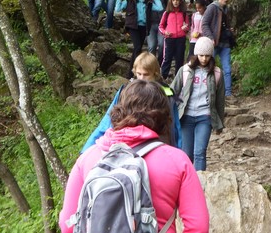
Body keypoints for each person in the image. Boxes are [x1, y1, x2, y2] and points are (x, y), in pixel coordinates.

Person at [60, 80, 209, 233]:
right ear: (164, 118)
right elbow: (198, 227)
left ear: (119, 110)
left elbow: (68, 225)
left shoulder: (88, 158)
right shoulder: (177, 161)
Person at [81, 52, 182, 152]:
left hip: (158, 147)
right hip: (127, 146)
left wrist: (178, 153)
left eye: (146, 74)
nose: (141, 78)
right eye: (139, 74)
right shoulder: (125, 91)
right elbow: (107, 122)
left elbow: (175, 129)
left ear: (155, 74)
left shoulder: (167, 94)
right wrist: (86, 150)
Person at [171, 37, 225, 171]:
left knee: (200, 152)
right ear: (196, 54)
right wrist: (173, 110)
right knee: (186, 154)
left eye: (207, 56)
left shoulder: (217, 73)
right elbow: (172, 92)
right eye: (201, 55)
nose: (204, 59)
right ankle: (187, 181)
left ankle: (200, 182)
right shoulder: (185, 70)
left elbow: (220, 100)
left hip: (205, 116)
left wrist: (220, 123)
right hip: (186, 116)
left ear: (211, 55)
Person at [115, 0, 163, 78]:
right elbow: (117, 9)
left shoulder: (148, 1)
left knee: (137, 49)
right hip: (133, 26)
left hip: (144, 27)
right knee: (137, 47)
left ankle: (131, 73)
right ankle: (133, 72)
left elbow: (160, 8)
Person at [201, 0, 234, 97]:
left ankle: (228, 93)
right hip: (213, 44)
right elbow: (204, 24)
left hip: (225, 43)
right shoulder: (212, 8)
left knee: (227, 69)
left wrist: (229, 30)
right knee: (209, 67)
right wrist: (210, 37)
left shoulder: (227, 9)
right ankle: (206, 90)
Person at [159, 0, 189, 80]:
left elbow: (187, 26)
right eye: (173, 0)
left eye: (177, 0)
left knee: (179, 59)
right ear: (171, 2)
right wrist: (165, 32)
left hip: (181, 39)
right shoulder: (167, 13)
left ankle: (178, 79)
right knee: (167, 58)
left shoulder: (184, 13)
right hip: (169, 39)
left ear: (180, 1)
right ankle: (162, 77)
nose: (175, 2)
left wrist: (185, 28)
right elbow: (160, 26)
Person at [147, 0, 168, 64]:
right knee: (152, 46)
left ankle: (159, 64)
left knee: (161, 45)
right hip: (150, 24)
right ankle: (151, 64)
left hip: (162, 24)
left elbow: (168, 8)